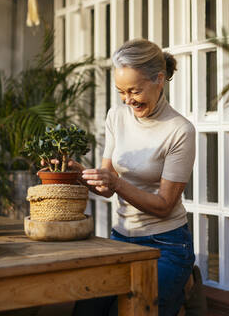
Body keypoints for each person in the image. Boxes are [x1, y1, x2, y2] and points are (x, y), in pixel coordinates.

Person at [68, 38, 196, 316]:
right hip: (121, 240)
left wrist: (116, 183)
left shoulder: (180, 130)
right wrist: (75, 171)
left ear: (159, 79)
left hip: (166, 245)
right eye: (121, 92)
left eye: (134, 91)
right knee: (85, 311)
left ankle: (182, 281)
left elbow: (164, 205)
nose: (128, 100)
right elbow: (106, 187)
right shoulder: (117, 116)